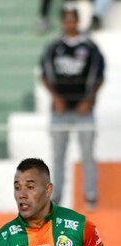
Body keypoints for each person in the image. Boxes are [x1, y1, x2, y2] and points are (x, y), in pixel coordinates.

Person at [40, 5, 105, 209]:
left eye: (72, 19)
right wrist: (56, 98)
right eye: (66, 19)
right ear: (62, 22)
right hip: (60, 111)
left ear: (77, 21)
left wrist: (88, 100)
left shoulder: (90, 47)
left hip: (84, 111)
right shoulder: (53, 47)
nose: (70, 23)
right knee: (58, 156)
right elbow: (44, 75)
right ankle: (56, 197)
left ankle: (91, 196)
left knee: (87, 154)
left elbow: (99, 76)